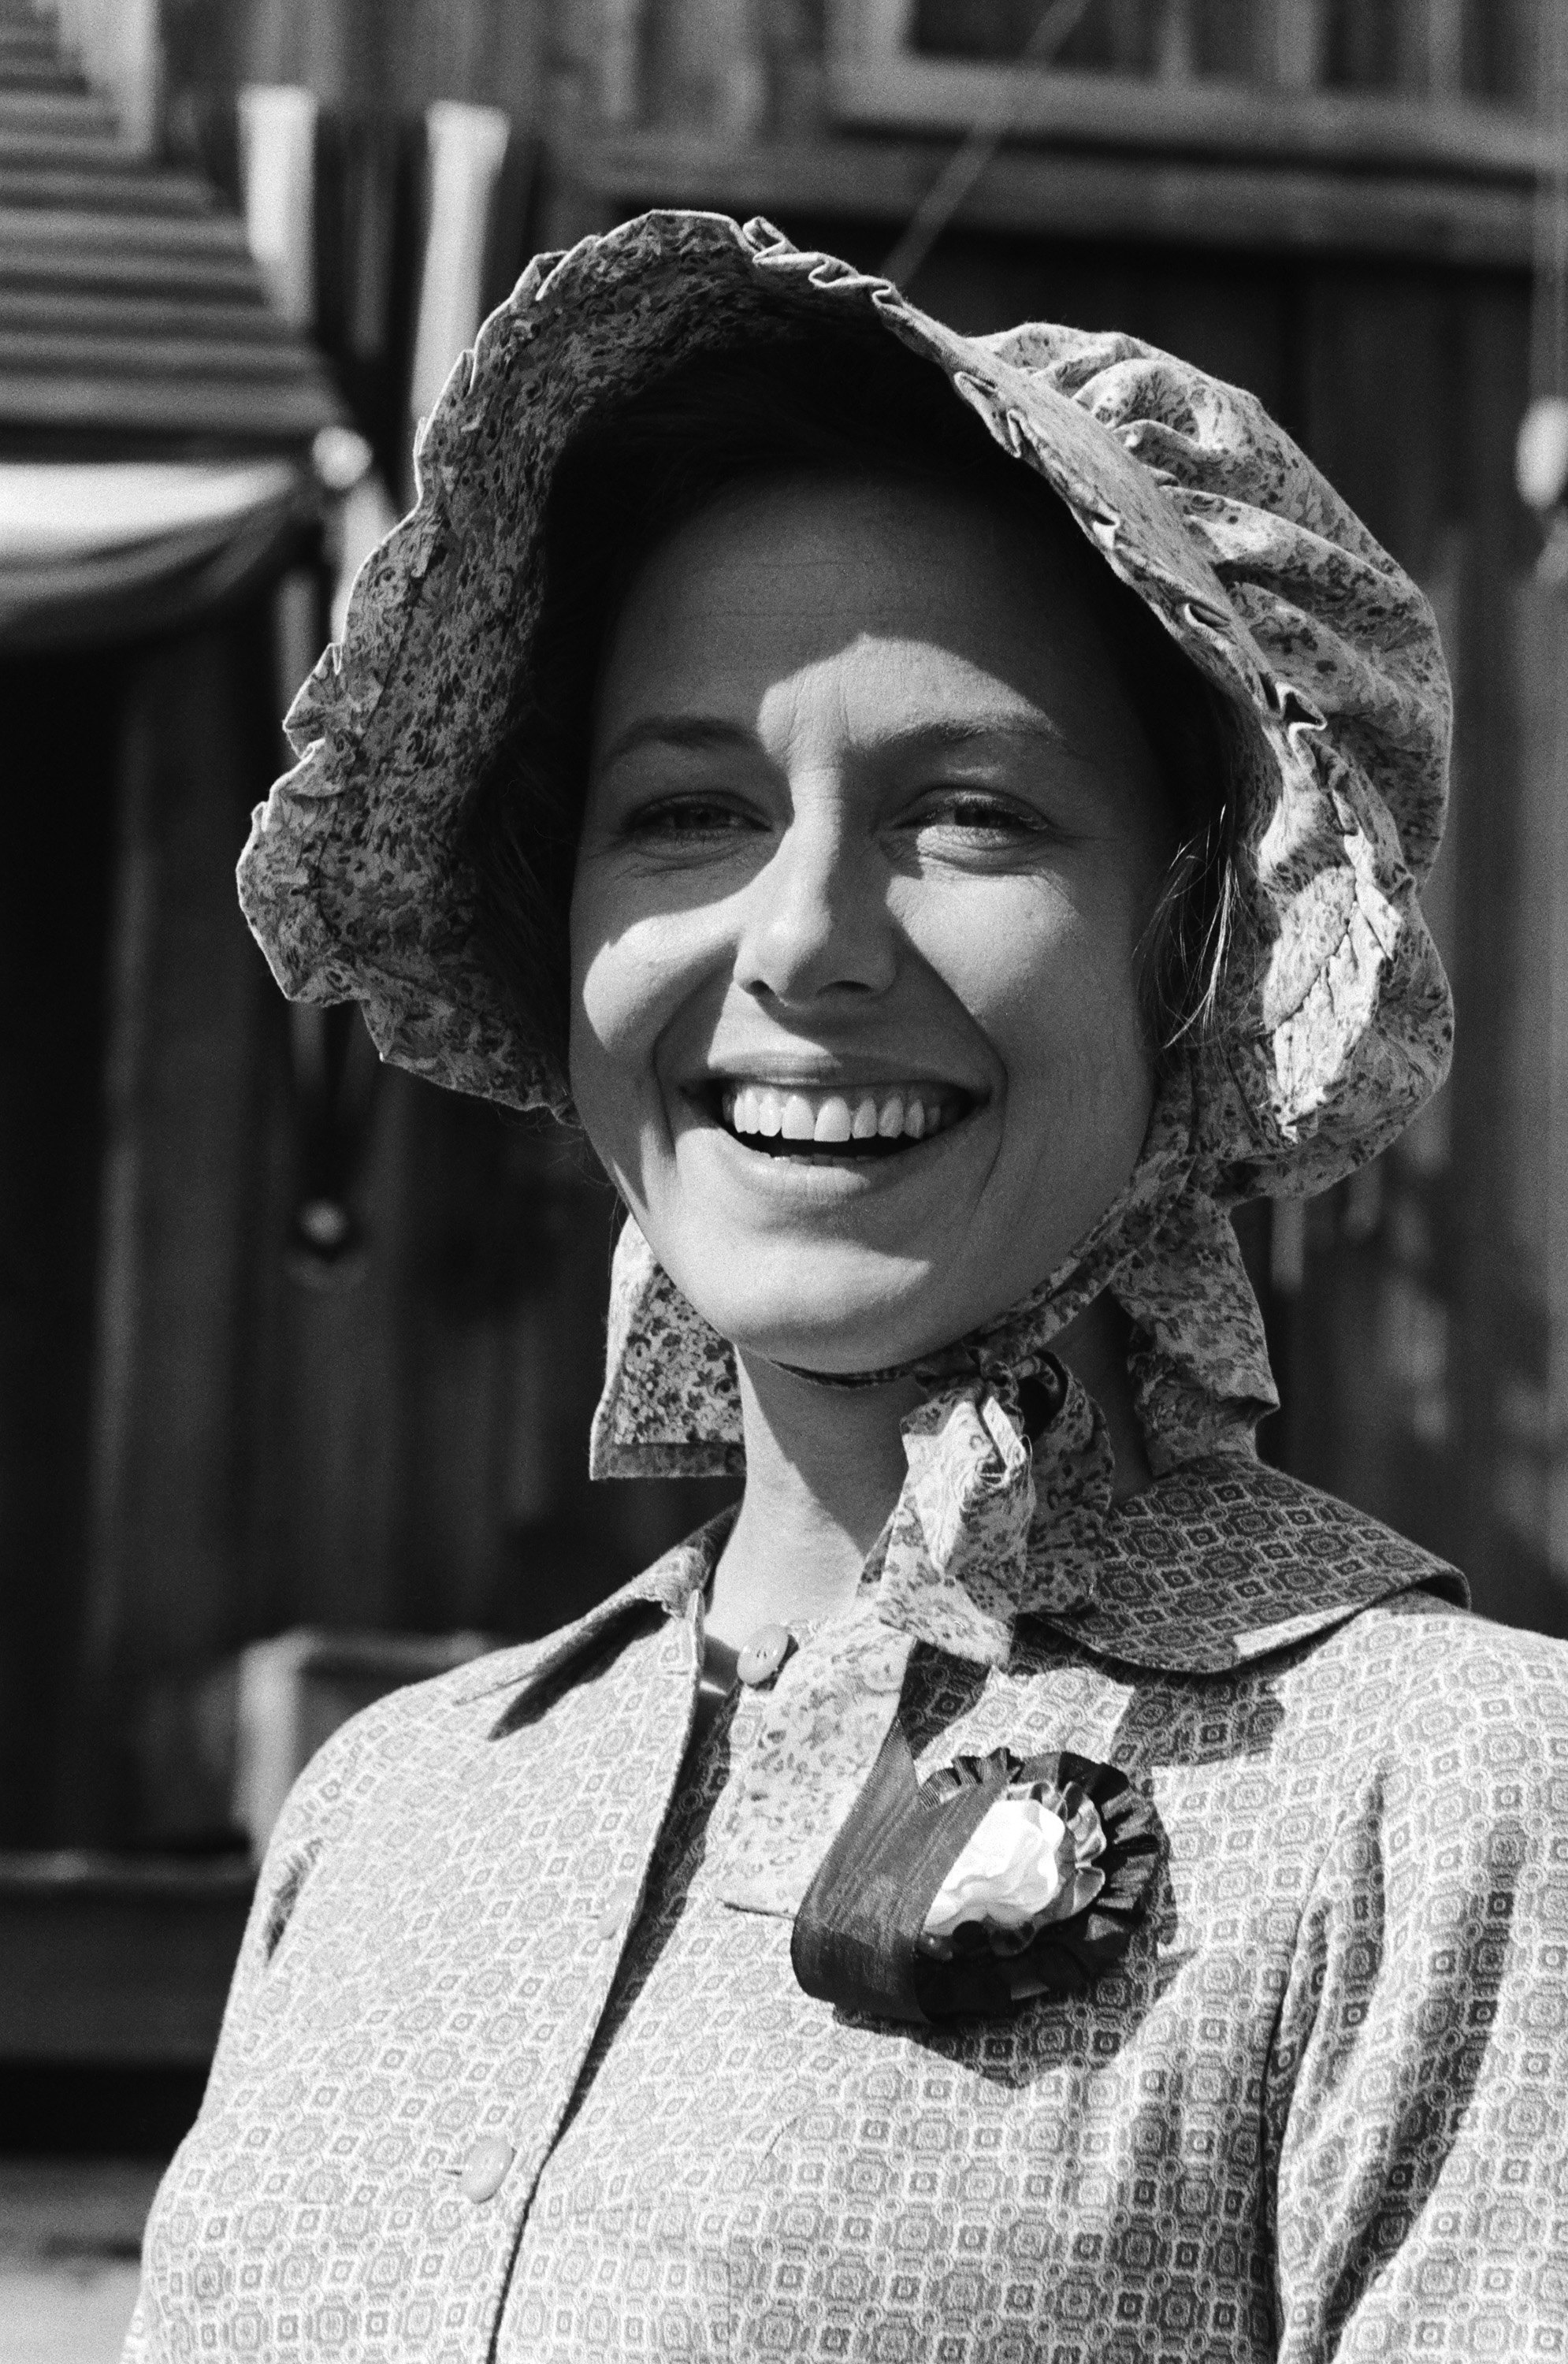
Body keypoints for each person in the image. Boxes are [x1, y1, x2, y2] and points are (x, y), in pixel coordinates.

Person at [126, 213, 1567, 2362]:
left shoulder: (1446, 1810)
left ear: (1207, 944)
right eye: (685, 807)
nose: (799, 941)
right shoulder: (398, 1811)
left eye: (970, 813)